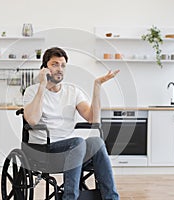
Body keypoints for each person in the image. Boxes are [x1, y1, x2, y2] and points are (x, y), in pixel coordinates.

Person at [23, 47, 120, 200]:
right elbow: (33, 120)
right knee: (78, 143)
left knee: (96, 142)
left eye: (62, 65)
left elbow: (93, 119)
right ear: (44, 68)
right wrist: (42, 85)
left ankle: (111, 198)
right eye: (55, 64)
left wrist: (97, 86)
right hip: (44, 150)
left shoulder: (73, 91)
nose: (59, 69)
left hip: (72, 150)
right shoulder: (31, 91)